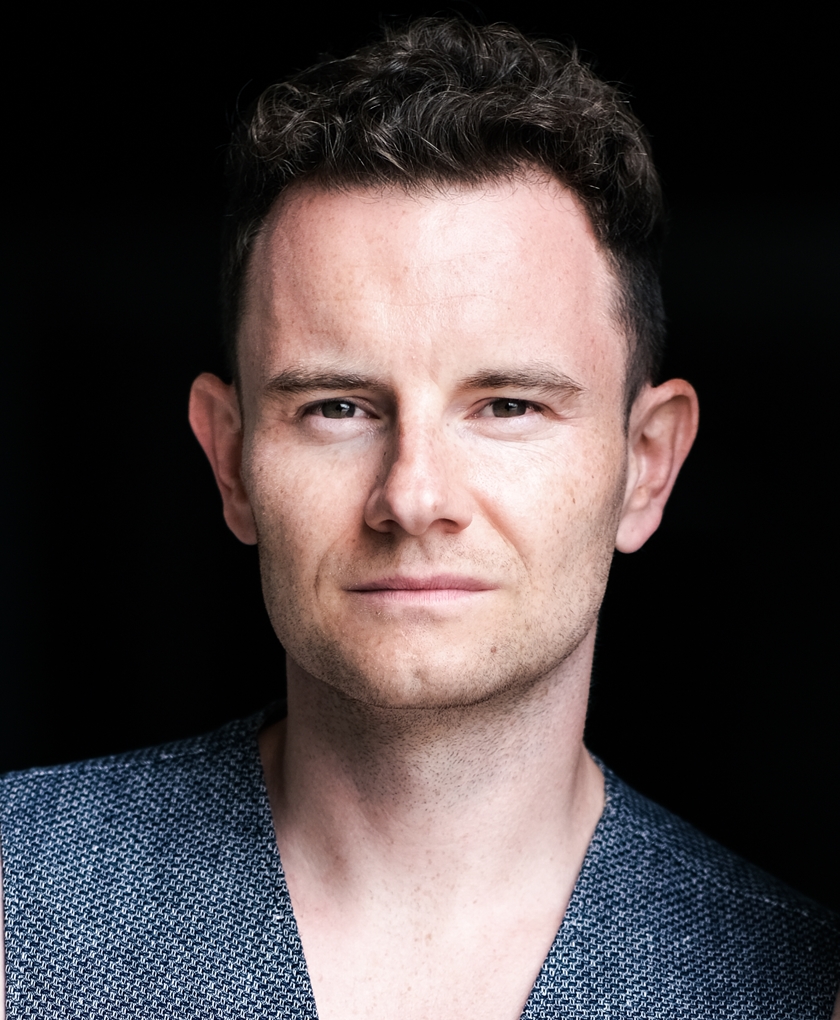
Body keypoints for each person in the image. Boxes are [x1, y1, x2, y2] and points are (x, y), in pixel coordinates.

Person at [1, 17, 837, 1018]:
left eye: (508, 406)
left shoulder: (796, 990)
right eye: (337, 408)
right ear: (229, 459)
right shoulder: (14, 906)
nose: (413, 498)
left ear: (647, 466)